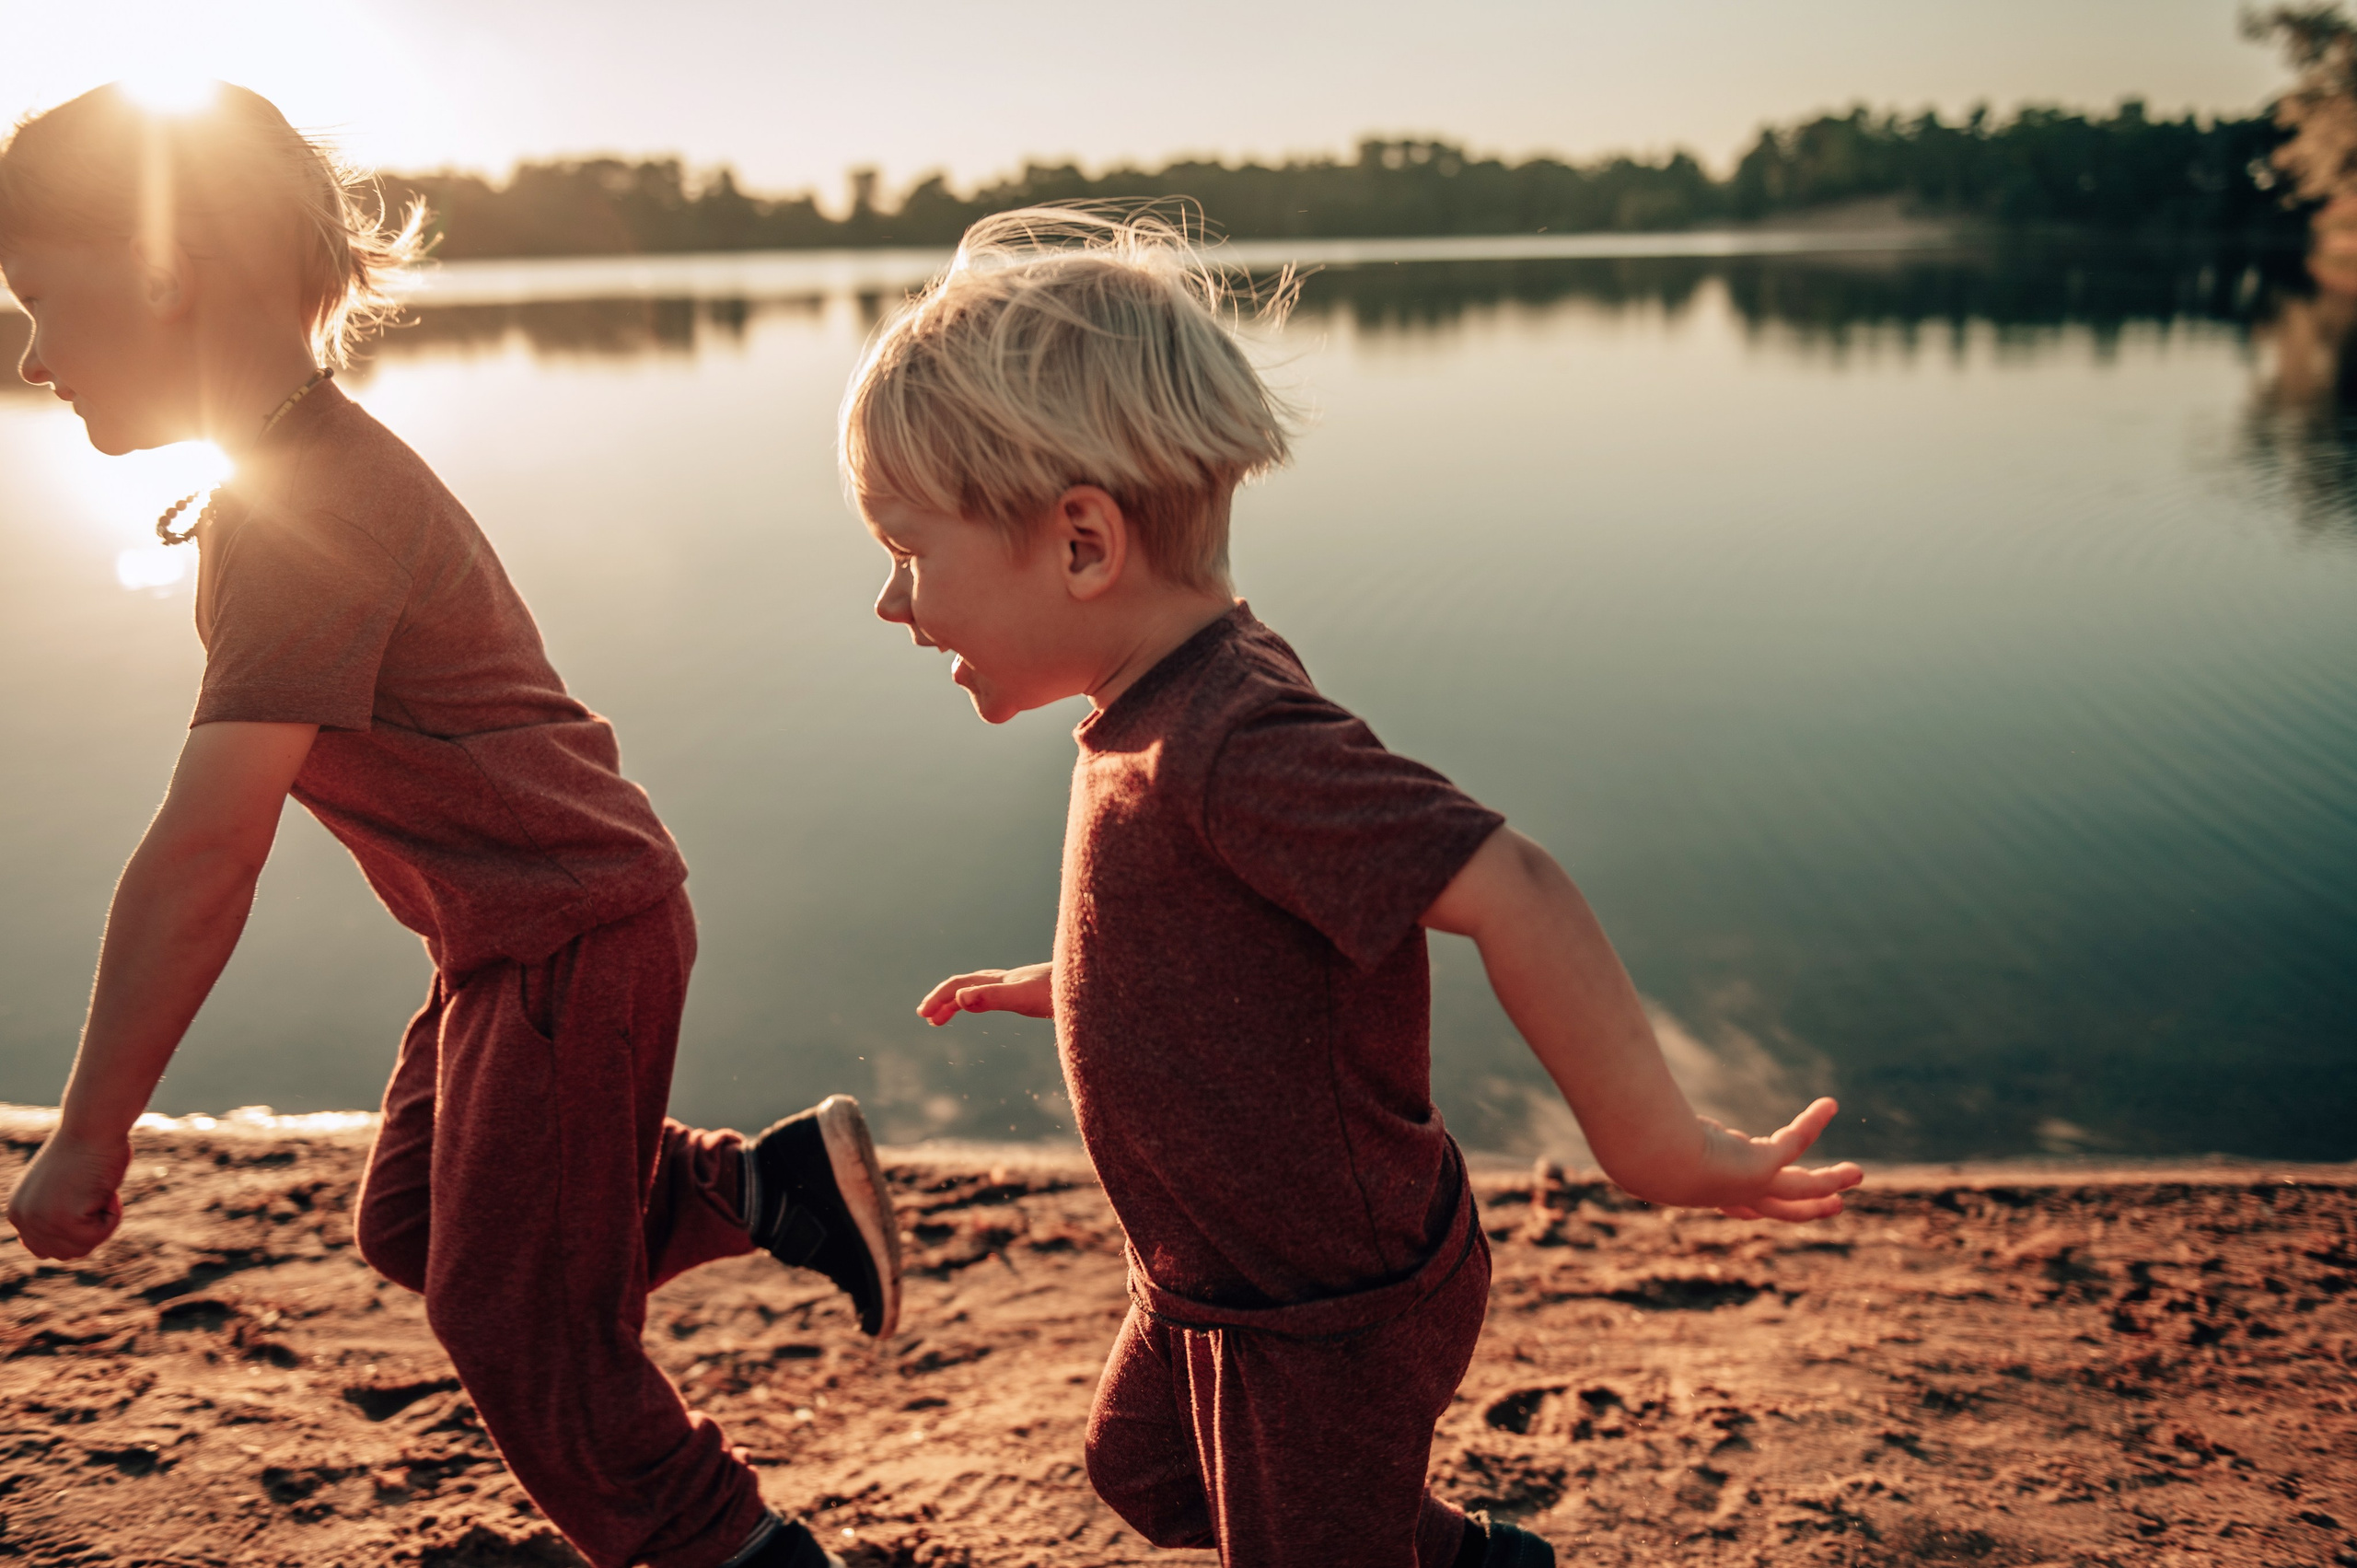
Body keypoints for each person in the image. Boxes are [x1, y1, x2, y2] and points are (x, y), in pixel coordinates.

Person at [841, 207, 1864, 1568]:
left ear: (1083, 543)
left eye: (910, 553)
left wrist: (1655, 1146)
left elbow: (1513, 886)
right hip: (1215, 1271)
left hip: (1321, 1304)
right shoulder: (1162, 703)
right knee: (1148, 1471)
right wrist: (1085, 978)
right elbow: (1245, 916)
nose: (891, 602)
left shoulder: (1234, 738)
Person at [0, 82, 894, 1568]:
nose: (31, 354)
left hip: (566, 934)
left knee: (522, 1327)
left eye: (39, 300)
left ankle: (734, 1550)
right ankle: (764, 1189)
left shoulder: (308, 511)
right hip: (513, 939)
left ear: (160, 275)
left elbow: (207, 855)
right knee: (418, 1223)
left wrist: (91, 1131)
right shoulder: (281, 480)